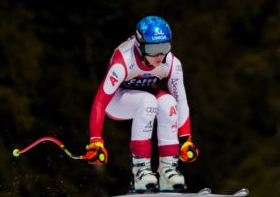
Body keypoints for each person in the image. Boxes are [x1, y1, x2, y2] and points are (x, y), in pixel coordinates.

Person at [83, 15, 199, 192]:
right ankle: (140, 172)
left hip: (144, 94)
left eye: (165, 47)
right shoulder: (123, 61)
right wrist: (96, 141)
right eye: (153, 49)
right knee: (148, 101)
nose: (160, 55)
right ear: (140, 45)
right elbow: (100, 101)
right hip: (116, 101)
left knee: (168, 102)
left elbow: (181, 100)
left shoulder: (172, 63)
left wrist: (185, 139)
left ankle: (168, 170)